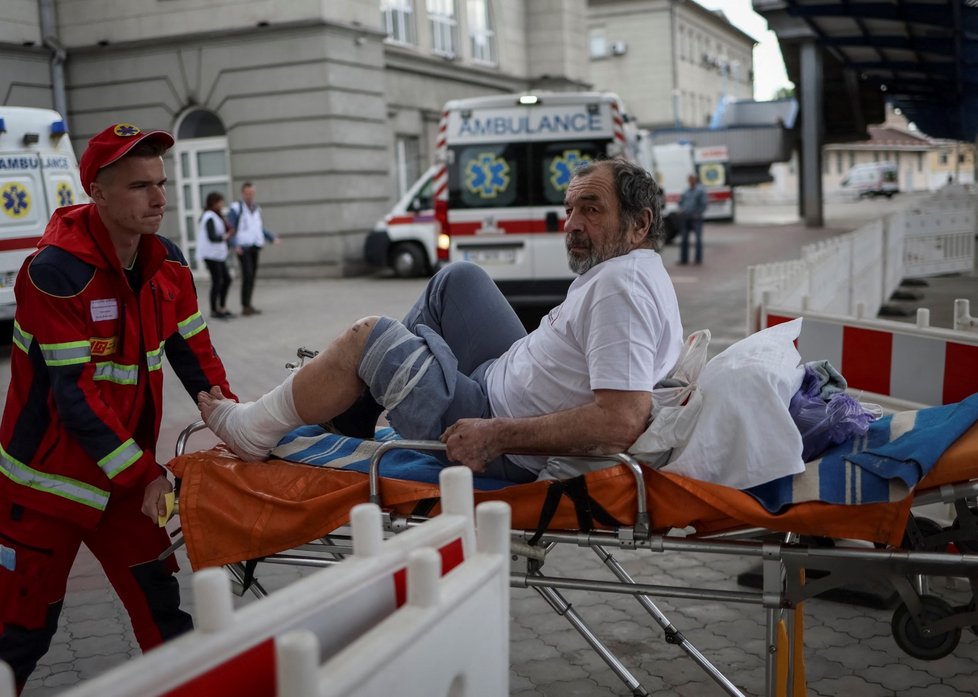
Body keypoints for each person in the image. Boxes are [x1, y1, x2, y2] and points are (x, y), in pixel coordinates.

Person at [198, 158, 683, 482]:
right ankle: (354, 408)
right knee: (458, 278)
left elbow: (620, 420)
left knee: (370, 336)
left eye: (591, 210)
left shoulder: (623, 288)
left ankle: (256, 425)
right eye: (570, 209)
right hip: (500, 377)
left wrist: (497, 436)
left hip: (496, 427)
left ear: (639, 223)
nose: (572, 225)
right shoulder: (628, 271)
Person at [0, 123, 237, 693]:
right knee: (21, 638)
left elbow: (196, 357)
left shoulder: (169, 265)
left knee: (166, 618)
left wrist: (237, 425)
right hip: (45, 488)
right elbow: (75, 397)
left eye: (161, 184)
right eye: (139, 187)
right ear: (97, 194)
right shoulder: (54, 274)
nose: (158, 199)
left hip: (125, 483)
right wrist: (146, 474)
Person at [227, 181, 278, 316]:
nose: (250, 196)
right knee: (247, 274)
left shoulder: (256, 208)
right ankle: (245, 305)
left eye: (252, 193)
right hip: (243, 248)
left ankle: (248, 304)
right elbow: (230, 228)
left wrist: (271, 238)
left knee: (252, 275)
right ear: (243, 193)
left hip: (255, 246)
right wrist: (234, 245)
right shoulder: (236, 208)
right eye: (247, 193)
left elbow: (258, 228)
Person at [198, 191, 234, 319]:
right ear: (214, 203)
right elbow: (212, 236)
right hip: (211, 254)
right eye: (220, 202)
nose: (222, 204)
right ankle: (214, 310)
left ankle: (222, 307)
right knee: (217, 281)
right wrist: (226, 236)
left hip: (218, 254)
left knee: (226, 279)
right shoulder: (209, 216)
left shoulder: (216, 215)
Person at [678, 172, 708, 265]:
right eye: (689, 179)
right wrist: (681, 209)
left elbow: (704, 204)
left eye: (692, 179)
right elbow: (681, 202)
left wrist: (698, 213)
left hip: (696, 219)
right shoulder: (686, 191)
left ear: (695, 180)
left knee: (698, 240)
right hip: (686, 217)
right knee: (684, 239)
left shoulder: (701, 191)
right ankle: (684, 260)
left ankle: (698, 259)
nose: (690, 181)